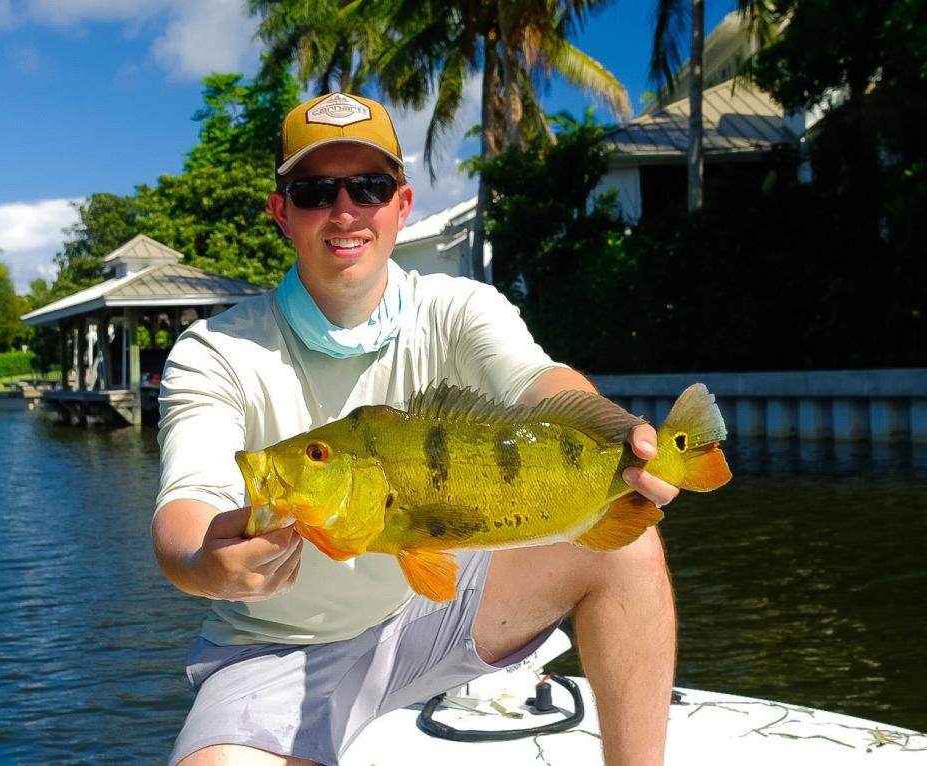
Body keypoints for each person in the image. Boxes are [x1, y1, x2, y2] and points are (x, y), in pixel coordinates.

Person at [152, 91, 678, 766]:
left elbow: (537, 382)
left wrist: (621, 440)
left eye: (368, 187)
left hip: (436, 611)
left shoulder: (459, 308)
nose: (344, 211)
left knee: (622, 544)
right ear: (282, 213)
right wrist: (205, 566)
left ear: (400, 206)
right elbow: (187, 507)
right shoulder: (214, 351)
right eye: (315, 191)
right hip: (275, 650)